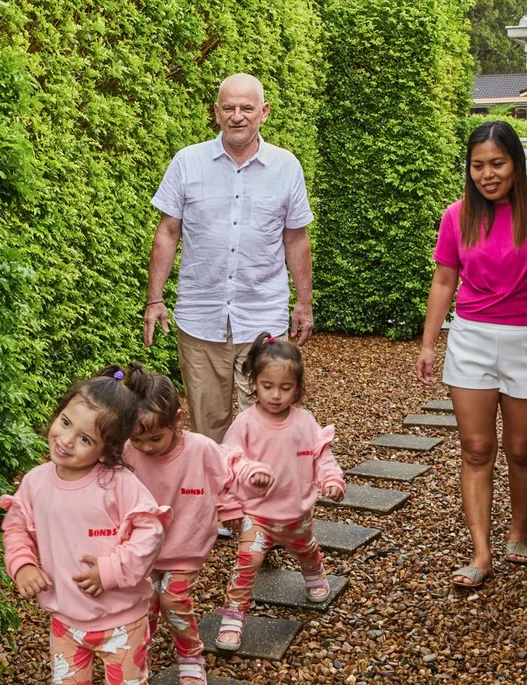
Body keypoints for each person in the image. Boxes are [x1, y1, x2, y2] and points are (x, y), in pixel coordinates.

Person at [414, 121, 527, 589]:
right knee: (476, 448)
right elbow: (444, 282)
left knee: (520, 450)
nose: (487, 174)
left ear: (516, 163)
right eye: (477, 166)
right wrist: (429, 344)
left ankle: (518, 533)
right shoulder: (457, 216)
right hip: (471, 340)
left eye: (497, 163)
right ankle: (481, 553)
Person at [143, 72, 316, 443]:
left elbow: (296, 239)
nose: (237, 115)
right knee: (209, 431)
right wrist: (154, 299)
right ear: (217, 113)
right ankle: (219, 501)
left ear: (264, 112)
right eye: (229, 108)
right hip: (200, 319)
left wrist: (304, 304)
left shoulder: (287, 167)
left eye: (247, 108)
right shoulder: (187, 162)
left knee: (269, 426)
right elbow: (167, 231)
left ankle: (263, 497)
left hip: (263, 319)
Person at [0, 368, 170, 685]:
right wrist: (21, 564)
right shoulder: (36, 483)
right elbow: (16, 526)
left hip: (123, 623)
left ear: (108, 449)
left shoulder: (119, 485)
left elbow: (150, 532)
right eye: (65, 422)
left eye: (85, 438)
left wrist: (111, 570)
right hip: (65, 622)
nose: (65, 440)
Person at [122, 363, 273, 684]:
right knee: (142, 604)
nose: (146, 447)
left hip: (184, 546)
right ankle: (137, 655)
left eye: (155, 438)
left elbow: (232, 464)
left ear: (177, 420)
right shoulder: (128, 452)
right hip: (141, 549)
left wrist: (252, 476)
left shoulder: (200, 449)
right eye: (139, 441)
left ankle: (191, 656)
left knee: (172, 599)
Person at [214, 333, 346, 651]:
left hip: (296, 513)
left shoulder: (305, 422)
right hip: (256, 515)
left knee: (305, 548)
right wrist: (249, 475)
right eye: (267, 386)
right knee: (247, 563)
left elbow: (322, 456)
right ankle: (232, 617)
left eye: (285, 388)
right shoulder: (245, 423)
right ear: (253, 383)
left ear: (297, 388)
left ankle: (314, 571)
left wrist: (332, 480)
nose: (275, 395)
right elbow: (228, 460)